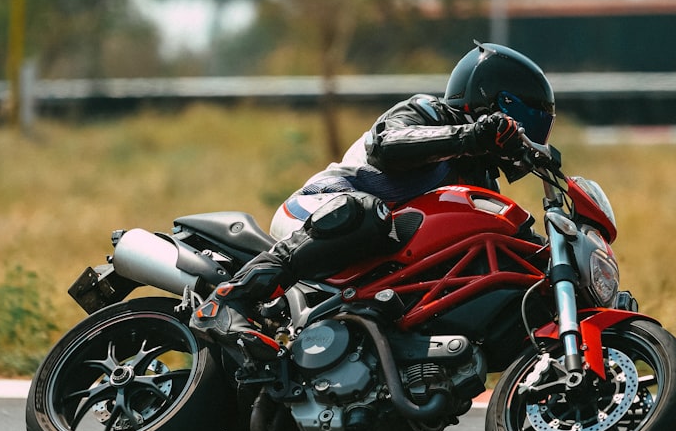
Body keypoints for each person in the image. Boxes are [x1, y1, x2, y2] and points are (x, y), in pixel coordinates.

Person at [191, 41, 556, 361]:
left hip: (377, 255)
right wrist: (471, 136)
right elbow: (386, 146)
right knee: (369, 213)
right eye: (523, 117)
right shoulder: (427, 112)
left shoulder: (479, 178)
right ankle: (228, 300)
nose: (526, 131)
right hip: (320, 210)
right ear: (492, 100)